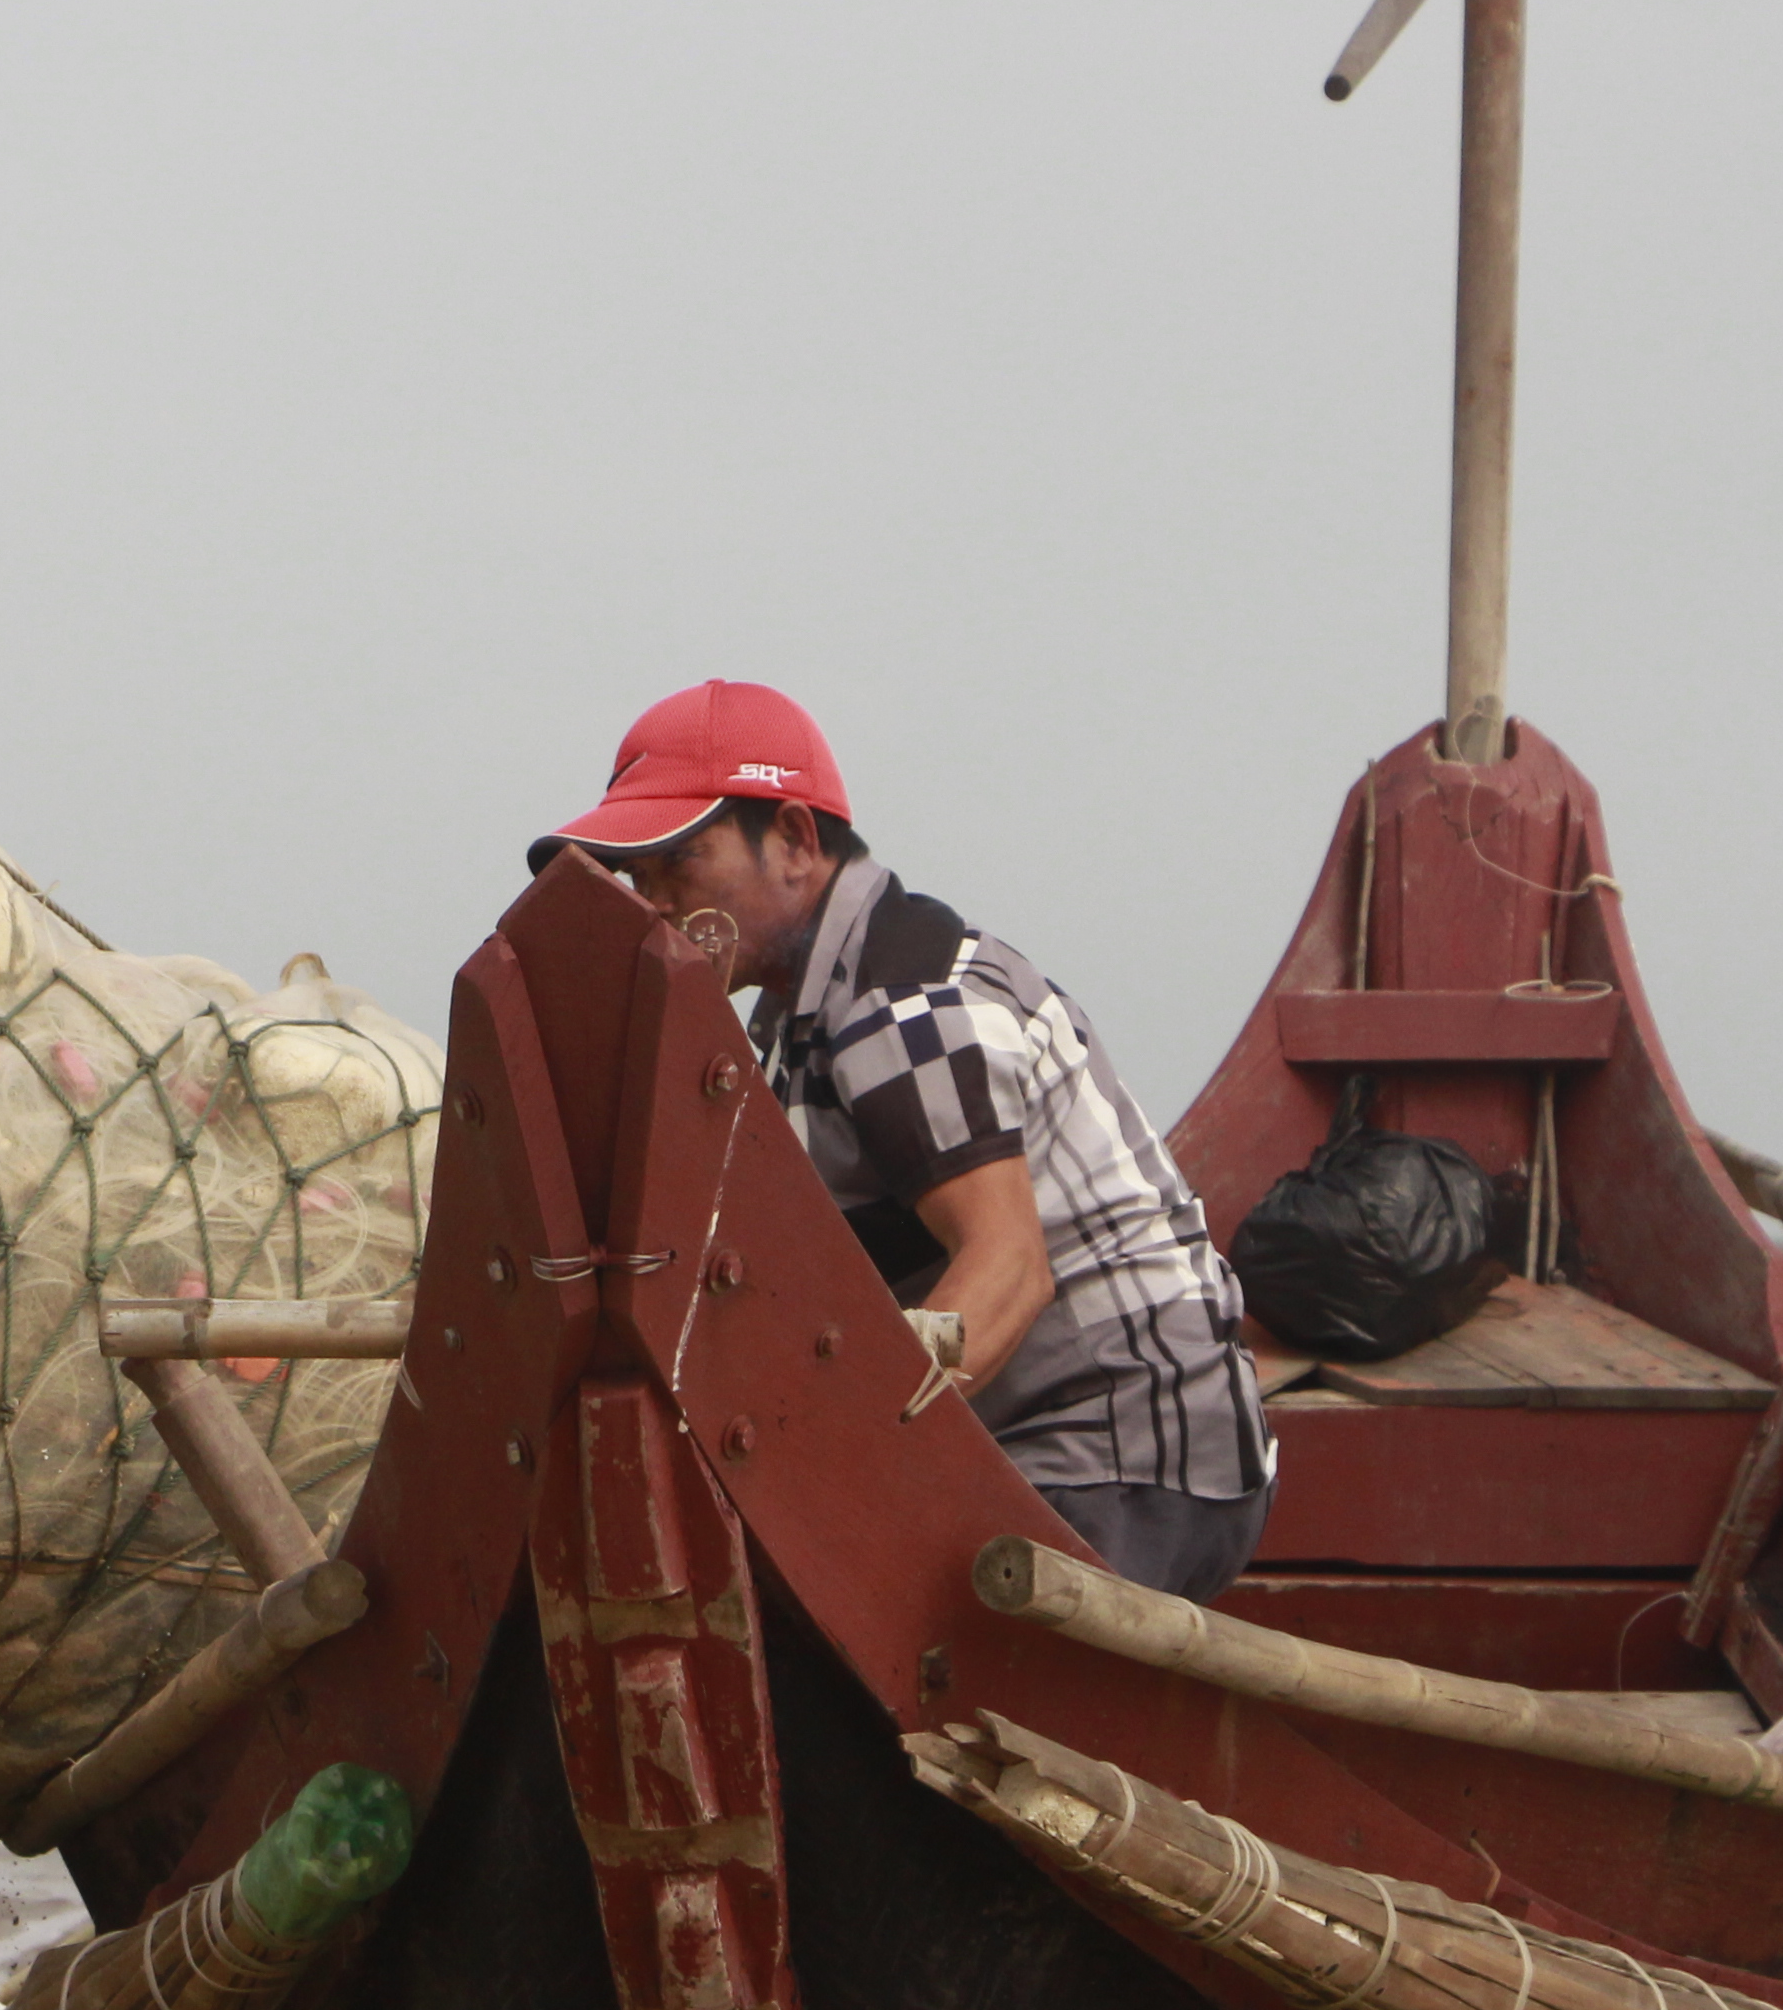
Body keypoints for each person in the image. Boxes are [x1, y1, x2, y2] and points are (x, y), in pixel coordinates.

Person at [533, 680, 1274, 1601]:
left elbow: (1007, 1270)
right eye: (635, 878)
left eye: (678, 862)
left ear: (797, 841)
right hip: (1070, 1449)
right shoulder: (791, 1024)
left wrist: (848, 1461)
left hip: (1118, 1461)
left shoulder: (902, 1006)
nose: (653, 903)